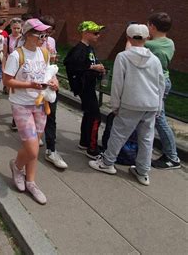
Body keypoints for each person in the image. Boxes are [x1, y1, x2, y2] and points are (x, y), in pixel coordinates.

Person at [89, 24, 164, 186]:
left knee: (119, 134)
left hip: (131, 103)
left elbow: (117, 83)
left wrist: (115, 105)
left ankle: (107, 162)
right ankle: (143, 171)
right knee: (146, 138)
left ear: (128, 38)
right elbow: (160, 84)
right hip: (151, 103)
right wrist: (159, 105)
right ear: (146, 38)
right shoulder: (155, 60)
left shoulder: (123, 57)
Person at [3, 18, 59, 205]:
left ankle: (31, 181)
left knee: (33, 147)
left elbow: (50, 73)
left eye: (45, 35)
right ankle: (17, 166)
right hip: (22, 105)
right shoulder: (16, 55)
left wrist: (53, 83)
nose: (44, 38)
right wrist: (30, 84)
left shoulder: (44, 53)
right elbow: (7, 81)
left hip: (40, 103)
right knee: (33, 149)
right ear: (28, 35)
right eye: (40, 35)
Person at [63, 21, 106, 159]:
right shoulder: (79, 49)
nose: (98, 35)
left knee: (89, 114)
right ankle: (92, 149)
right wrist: (92, 68)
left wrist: (98, 67)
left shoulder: (89, 49)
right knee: (95, 117)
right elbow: (71, 66)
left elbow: (90, 63)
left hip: (89, 86)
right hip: (84, 87)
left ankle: (84, 141)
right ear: (85, 33)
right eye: (95, 33)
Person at [145, 12, 180, 170]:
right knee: (155, 116)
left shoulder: (150, 45)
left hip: (156, 83)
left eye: (148, 25)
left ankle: (172, 157)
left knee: (159, 118)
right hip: (165, 80)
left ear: (152, 26)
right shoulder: (170, 42)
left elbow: (131, 48)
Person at [40, 16, 68, 170]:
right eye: (44, 31)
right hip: (35, 86)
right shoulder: (27, 42)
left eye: (50, 31)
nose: (47, 34)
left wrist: (55, 79)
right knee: (36, 117)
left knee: (51, 117)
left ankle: (51, 150)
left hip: (49, 84)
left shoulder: (51, 42)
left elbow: (53, 63)